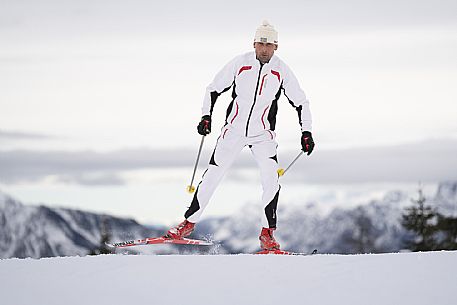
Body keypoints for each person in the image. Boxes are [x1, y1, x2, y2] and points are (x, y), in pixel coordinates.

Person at [166, 20, 315, 251]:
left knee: (271, 180)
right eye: (260, 43)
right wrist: (206, 117)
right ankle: (187, 224)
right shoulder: (240, 63)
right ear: (254, 43)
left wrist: (306, 131)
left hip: (262, 135)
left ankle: (267, 235)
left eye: (269, 44)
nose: (264, 49)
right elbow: (213, 89)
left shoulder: (281, 70)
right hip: (233, 130)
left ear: (276, 47)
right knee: (213, 174)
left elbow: (301, 103)